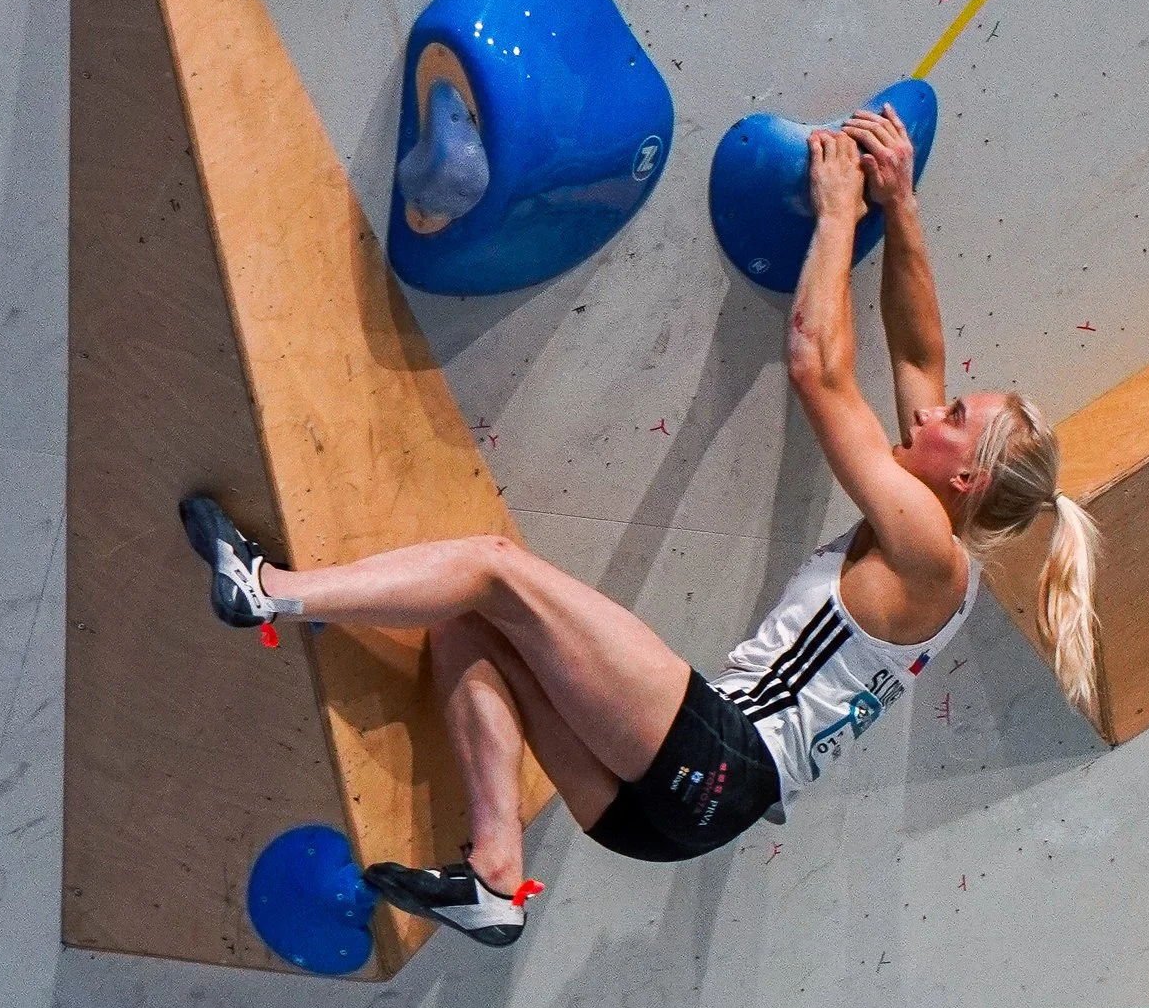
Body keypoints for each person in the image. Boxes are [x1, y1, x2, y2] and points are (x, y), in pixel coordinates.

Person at [181, 105, 1101, 945]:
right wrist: (896, 206)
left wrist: (833, 216)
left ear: (968, 478)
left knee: (497, 570)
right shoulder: (946, 548)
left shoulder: (926, 547)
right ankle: (496, 875)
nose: (929, 417)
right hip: (687, 818)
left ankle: (267, 592)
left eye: (951, 422)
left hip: (723, 758)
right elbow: (918, 352)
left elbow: (819, 369)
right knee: (470, 625)